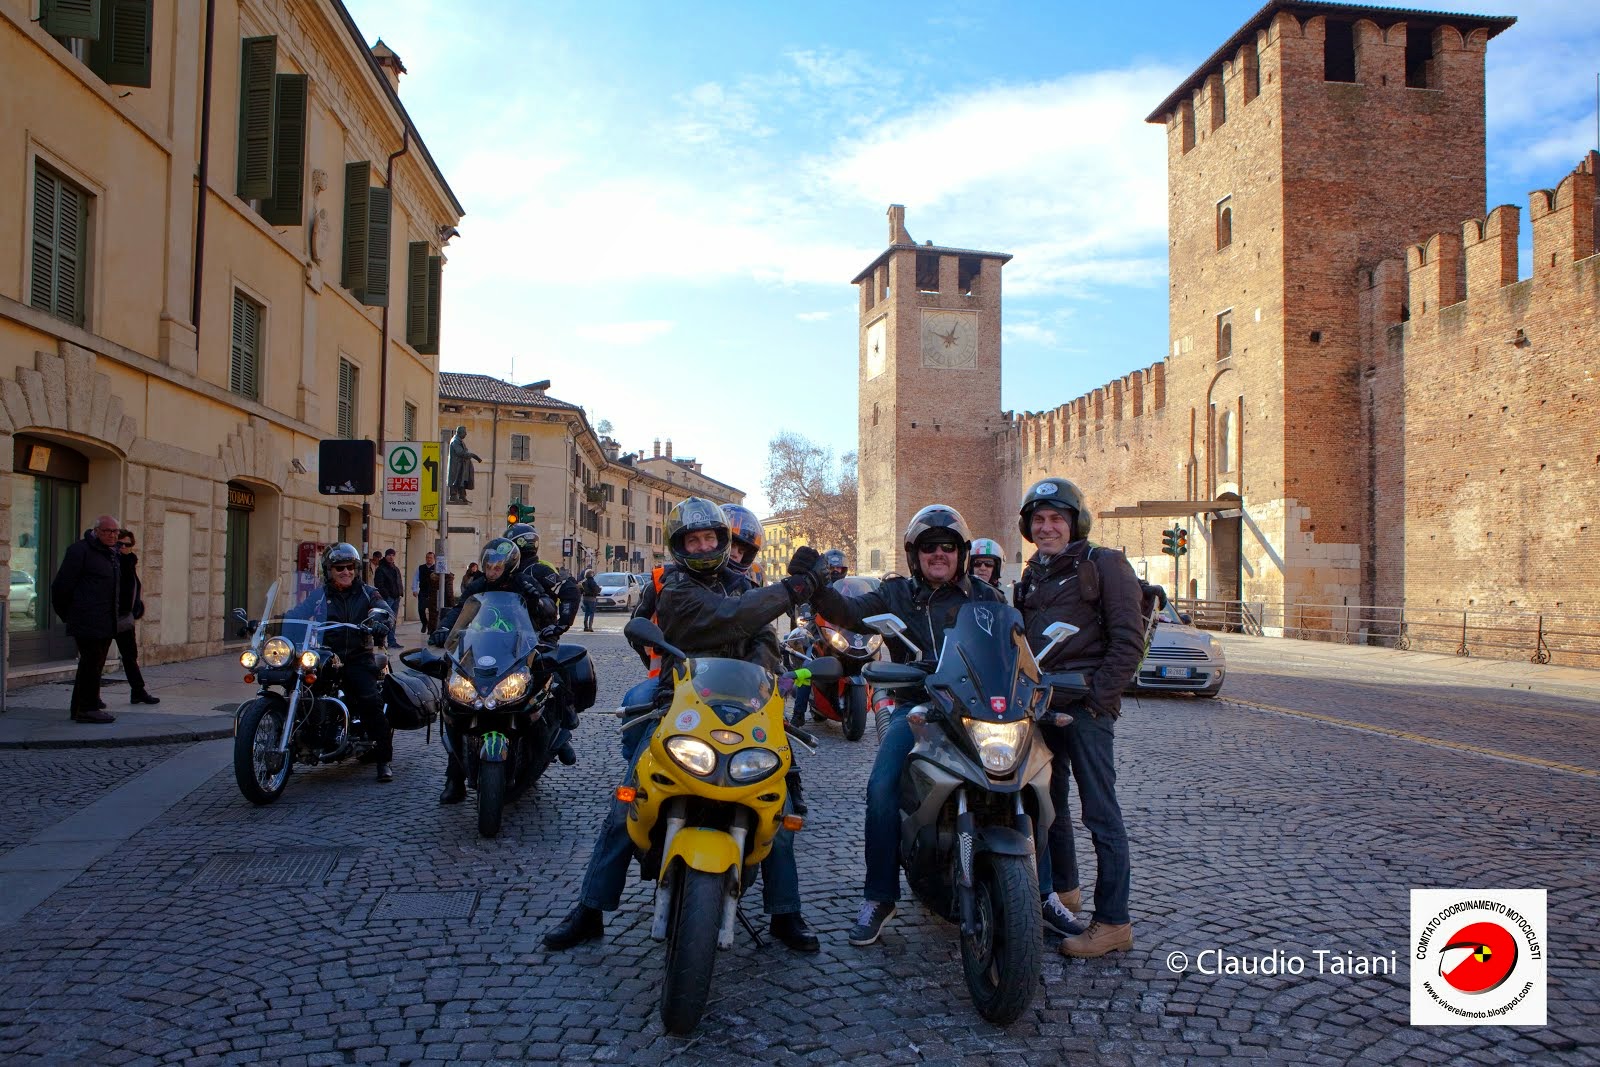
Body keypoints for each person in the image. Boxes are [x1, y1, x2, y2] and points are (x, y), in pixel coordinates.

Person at [542, 497, 832, 954]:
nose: (702, 546)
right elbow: (724, 620)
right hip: (681, 703)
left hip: (742, 703)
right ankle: (590, 908)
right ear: (680, 546)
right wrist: (791, 590)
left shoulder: (744, 585)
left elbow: (763, 638)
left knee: (779, 806)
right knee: (626, 803)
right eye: (692, 539)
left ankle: (785, 912)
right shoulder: (675, 586)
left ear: (722, 540)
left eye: (710, 538)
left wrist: (760, 680)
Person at [802, 504, 1006, 947]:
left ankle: (1040, 891)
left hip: (979, 714)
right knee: (881, 788)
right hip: (916, 709)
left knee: (1024, 777)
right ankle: (879, 896)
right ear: (915, 554)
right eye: (929, 547)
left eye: (948, 547)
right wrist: (816, 586)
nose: (939, 554)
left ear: (962, 553)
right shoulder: (895, 595)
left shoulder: (986, 598)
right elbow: (847, 612)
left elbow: (1013, 647)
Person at [1014, 478, 1144, 958]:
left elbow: (1129, 641)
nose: (1047, 528)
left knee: (1100, 813)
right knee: (1050, 807)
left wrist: (1097, 700)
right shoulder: (1033, 573)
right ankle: (1064, 894)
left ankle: (1113, 921)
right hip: (1043, 706)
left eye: (1057, 519)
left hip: (1086, 707)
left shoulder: (1104, 564)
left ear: (1075, 523)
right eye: (1039, 520)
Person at [432, 537, 569, 804]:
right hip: (483, 650)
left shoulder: (524, 583)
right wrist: (444, 630)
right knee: (455, 705)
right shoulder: (479, 585)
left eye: (497, 567)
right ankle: (454, 779)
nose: (492, 572)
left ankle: (560, 736)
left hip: (521, 647)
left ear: (508, 566)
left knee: (553, 681)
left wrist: (540, 602)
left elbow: (547, 610)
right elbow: (462, 610)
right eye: (489, 566)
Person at [285, 543, 395, 782]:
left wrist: (381, 620)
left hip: (357, 656)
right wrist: (273, 621)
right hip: (325, 656)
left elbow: (385, 610)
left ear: (356, 569)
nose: (345, 572)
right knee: (299, 688)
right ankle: (293, 746)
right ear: (329, 571)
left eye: (349, 568)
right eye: (339, 568)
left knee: (369, 700)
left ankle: (384, 758)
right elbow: (298, 613)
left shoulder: (367, 593)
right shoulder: (321, 594)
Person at [51, 515, 124, 723]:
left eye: (115, 532)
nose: (112, 535)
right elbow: (61, 587)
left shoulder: (111, 554)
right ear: (96, 531)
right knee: (91, 663)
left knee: (92, 664)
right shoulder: (80, 551)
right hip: (87, 619)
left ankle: (81, 707)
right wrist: (69, 615)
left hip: (106, 619)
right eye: (108, 531)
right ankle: (88, 709)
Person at [787, 548, 848, 727]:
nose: (836, 571)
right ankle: (798, 714)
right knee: (808, 668)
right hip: (816, 635)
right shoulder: (814, 586)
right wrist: (803, 612)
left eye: (839, 568)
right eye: (832, 568)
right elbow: (800, 603)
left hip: (842, 635)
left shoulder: (847, 588)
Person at [502, 522, 581, 640]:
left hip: (539, 635)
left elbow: (570, 590)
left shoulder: (538, 570)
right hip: (511, 634)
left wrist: (562, 624)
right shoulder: (506, 571)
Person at [113, 529, 158, 705]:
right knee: (96, 660)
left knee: (130, 656)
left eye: (127, 544)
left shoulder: (129, 563)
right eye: (120, 544)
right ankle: (89, 699)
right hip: (109, 616)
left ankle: (138, 691)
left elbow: (132, 588)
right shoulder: (112, 562)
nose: (123, 547)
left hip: (124, 618)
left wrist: (136, 607)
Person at [375, 548, 405, 649]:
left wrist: (401, 593)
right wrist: (387, 595)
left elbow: (399, 581)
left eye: (393, 555)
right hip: (388, 599)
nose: (391, 557)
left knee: (393, 621)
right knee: (384, 620)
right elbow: (379, 584)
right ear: (386, 556)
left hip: (396, 598)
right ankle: (381, 642)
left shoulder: (395, 568)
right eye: (389, 555)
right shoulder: (381, 569)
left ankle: (392, 641)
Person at [414, 551, 440, 635]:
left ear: (434, 559)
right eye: (427, 558)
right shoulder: (420, 568)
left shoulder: (437, 568)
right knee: (421, 609)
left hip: (433, 592)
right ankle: (424, 622)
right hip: (423, 591)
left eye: (430, 558)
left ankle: (430, 628)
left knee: (432, 611)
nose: (429, 559)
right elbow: (415, 579)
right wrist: (415, 589)